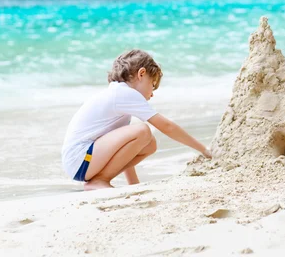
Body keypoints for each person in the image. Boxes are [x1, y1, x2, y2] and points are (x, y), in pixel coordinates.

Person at [61, 49, 211, 190]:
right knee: (143, 130)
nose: (152, 94)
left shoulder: (118, 95)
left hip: (79, 163)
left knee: (149, 143)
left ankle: (99, 179)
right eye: (152, 85)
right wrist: (204, 150)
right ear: (141, 74)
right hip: (81, 159)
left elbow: (125, 150)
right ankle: (100, 180)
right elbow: (167, 126)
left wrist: (134, 185)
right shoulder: (125, 94)